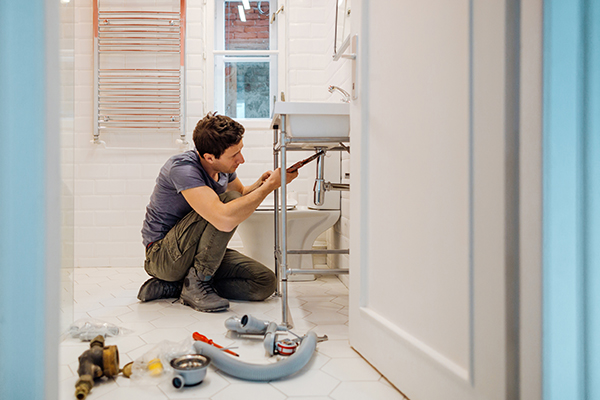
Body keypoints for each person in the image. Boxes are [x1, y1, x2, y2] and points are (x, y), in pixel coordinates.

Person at [137, 112, 298, 312]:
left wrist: (262, 183)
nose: (241, 159)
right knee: (227, 205)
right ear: (209, 157)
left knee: (264, 282)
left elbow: (241, 194)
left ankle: (180, 286)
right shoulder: (182, 168)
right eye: (234, 155)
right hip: (163, 256)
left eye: (240, 151)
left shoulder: (223, 167)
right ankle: (198, 282)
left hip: (192, 251)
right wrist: (269, 187)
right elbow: (224, 218)